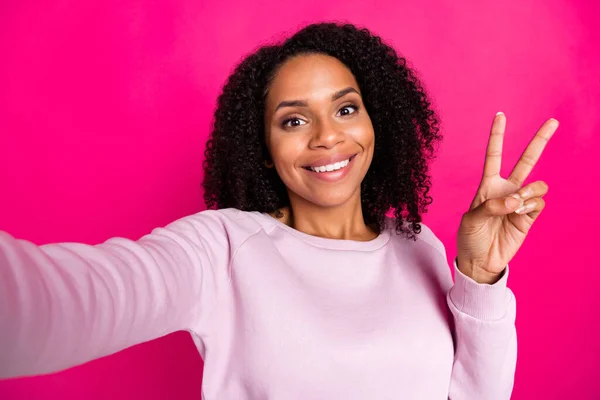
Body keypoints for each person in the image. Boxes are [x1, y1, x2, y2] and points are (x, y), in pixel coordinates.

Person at [0, 22, 557, 399]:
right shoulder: (220, 248)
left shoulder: (419, 245)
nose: (327, 137)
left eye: (345, 108)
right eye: (294, 120)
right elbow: (69, 298)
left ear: (374, 122)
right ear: (263, 151)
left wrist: (480, 277)